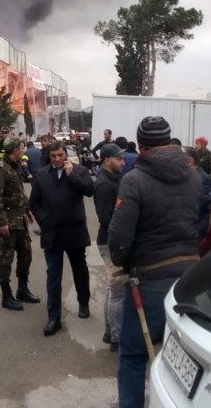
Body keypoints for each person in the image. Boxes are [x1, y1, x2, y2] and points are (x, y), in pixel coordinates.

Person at [108, 116, 201, 408]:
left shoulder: (134, 180)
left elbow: (120, 237)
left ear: (142, 146)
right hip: (191, 276)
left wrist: (122, 262)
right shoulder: (193, 176)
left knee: (133, 355)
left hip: (150, 278)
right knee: (183, 355)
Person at [29, 140, 95, 336]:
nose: (57, 159)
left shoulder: (79, 170)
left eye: (60, 155)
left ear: (65, 154)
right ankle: (53, 317)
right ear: (49, 157)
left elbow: (90, 190)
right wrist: (44, 220)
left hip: (74, 230)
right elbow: (34, 202)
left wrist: (71, 175)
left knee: (79, 269)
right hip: (53, 232)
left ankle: (83, 302)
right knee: (54, 274)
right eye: (53, 156)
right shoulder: (42, 175)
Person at [0, 137, 41, 311]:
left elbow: (20, 192)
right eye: (21, 147)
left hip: (20, 220)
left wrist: (28, 210)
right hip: (8, 222)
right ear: (14, 150)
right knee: (6, 258)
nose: (24, 150)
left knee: (26, 255)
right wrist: (1, 222)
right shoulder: (0, 169)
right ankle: (6, 294)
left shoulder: (16, 167)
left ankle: (22, 289)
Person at [93, 143, 126, 351]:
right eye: (119, 159)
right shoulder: (107, 185)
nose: (123, 162)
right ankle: (116, 337)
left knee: (112, 288)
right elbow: (106, 218)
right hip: (110, 241)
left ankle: (109, 332)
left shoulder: (110, 180)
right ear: (107, 161)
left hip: (108, 240)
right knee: (118, 291)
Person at [184, 147, 211, 237]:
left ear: (190, 161)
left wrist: (196, 233)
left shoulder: (202, 180)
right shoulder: (190, 177)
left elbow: (210, 210)